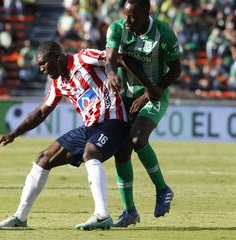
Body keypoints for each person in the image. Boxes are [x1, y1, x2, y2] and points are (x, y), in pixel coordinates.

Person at [0, 41, 128, 230]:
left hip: (114, 121)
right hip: (90, 128)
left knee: (91, 152)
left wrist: (140, 86)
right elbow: (41, 113)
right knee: (43, 158)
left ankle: (102, 214)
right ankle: (19, 218)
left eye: (43, 63)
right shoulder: (59, 83)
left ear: (57, 58)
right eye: (39, 65)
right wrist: (14, 134)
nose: (42, 70)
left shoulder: (84, 58)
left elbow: (116, 58)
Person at [105, 0, 182, 227]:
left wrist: (152, 92)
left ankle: (162, 189)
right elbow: (112, 59)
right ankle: (129, 211)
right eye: (126, 16)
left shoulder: (164, 34)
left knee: (138, 138)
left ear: (146, 13)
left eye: (133, 18)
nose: (128, 22)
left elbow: (176, 69)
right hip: (126, 96)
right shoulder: (117, 28)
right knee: (121, 152)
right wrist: (111, 75)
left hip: (155, 95)